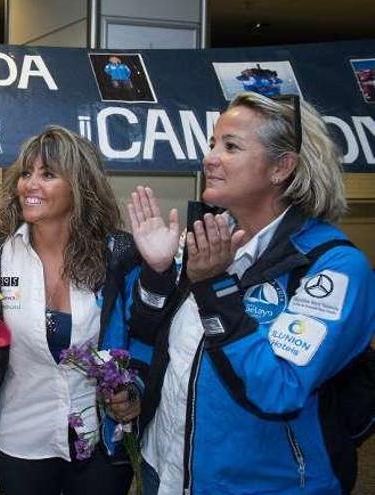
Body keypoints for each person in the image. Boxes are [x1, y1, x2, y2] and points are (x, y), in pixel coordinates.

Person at [136, 92, 375, 494]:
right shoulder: (209, 239)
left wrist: (215, 287)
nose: (210, 157)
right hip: (165, 469)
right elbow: (154, 339)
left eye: (230, 146)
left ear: (282, 167)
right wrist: (159, 275)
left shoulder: (332, 268)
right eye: (212, 143)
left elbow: (278, 390)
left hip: (262, 484)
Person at [0, 126, 179, 495]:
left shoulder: (118, 254)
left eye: (47, 174)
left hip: (102, 438)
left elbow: (147, 333)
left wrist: (133, 390)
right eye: (26, 173)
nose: (30, 184)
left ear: (79, 185)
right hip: (21, 432)